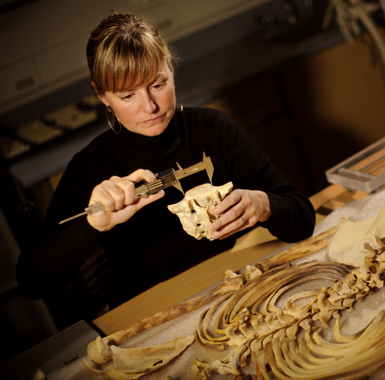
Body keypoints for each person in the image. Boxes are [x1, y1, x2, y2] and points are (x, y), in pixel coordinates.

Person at [16, 13, 315, 308]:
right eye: (127, 96)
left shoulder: (213, 128)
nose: (150, 107)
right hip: (153, 311)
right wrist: (93, 224)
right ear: (102, 95)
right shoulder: (90, 168)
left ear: (171, 68)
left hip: (238, 287)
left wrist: (265, 205)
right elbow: (33, 283)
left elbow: (303, 219)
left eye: (157, 85)